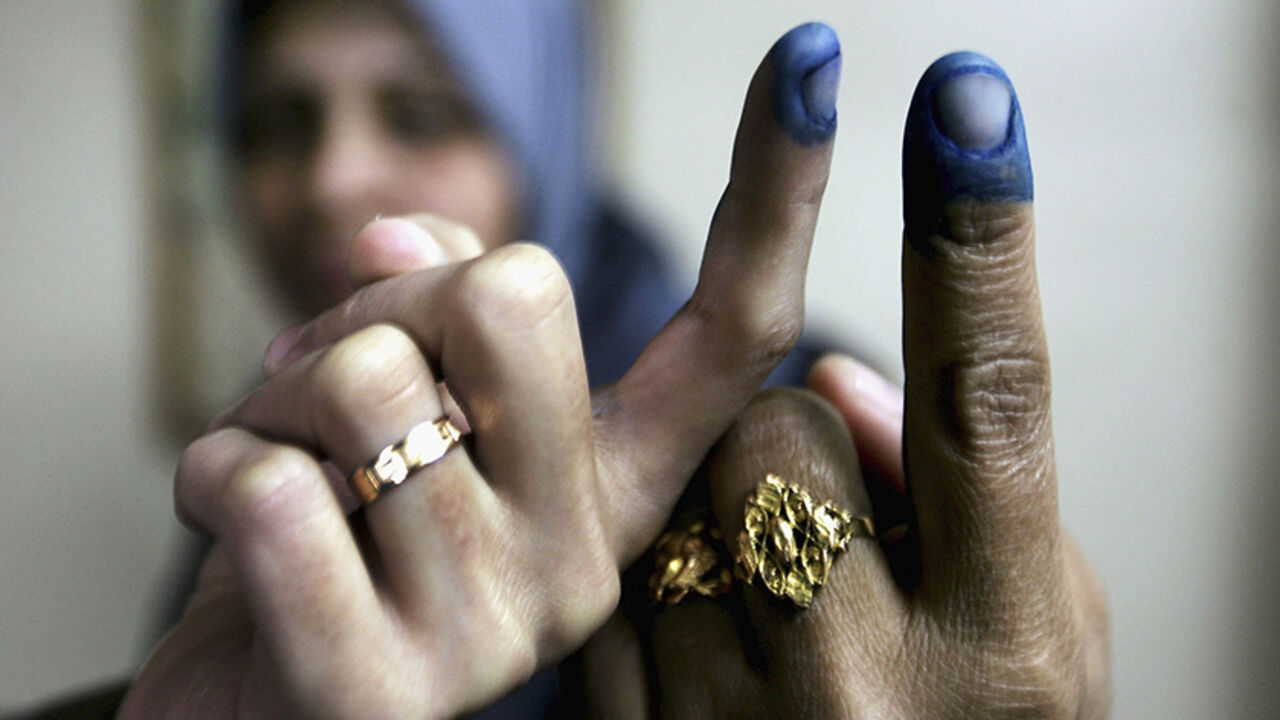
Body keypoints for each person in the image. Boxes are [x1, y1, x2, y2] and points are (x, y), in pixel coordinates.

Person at [19, 0, 1110, 717]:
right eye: (275, 122)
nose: (327, 180)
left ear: (542, 127)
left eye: (420, 111)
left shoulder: (791, 426)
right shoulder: (268, 488)